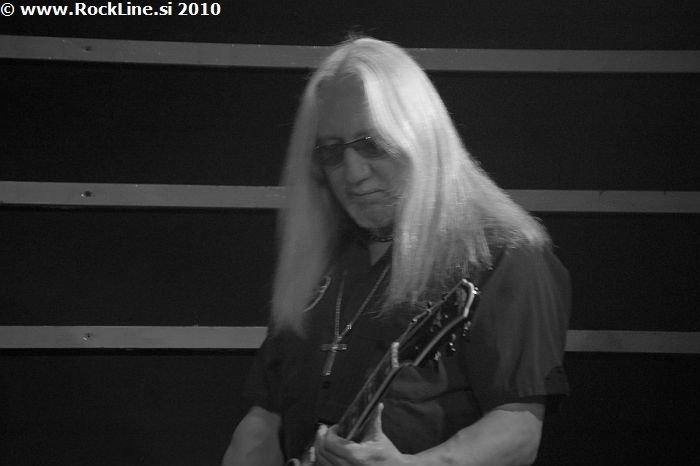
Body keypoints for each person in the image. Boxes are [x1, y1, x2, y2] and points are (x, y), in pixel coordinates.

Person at [222, 36, 570, 466]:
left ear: (418, 135)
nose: (353, 173)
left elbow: (517, 429)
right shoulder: (319, 259)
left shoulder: (502, 255)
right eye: (331, 153)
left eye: (372, 144)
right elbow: (263, 418)